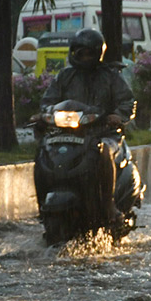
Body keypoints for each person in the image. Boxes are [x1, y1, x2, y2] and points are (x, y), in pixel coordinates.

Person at [40, 28, 135, 223]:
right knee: (43, 151)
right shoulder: (64, 77)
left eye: (89, 53)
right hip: (67, 133)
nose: (85, 57)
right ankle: (41, 206)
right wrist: (45, 113)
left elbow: (127, 101)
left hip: (102, 133)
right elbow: (48, 101)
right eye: (80, 53)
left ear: (98, 53)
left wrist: (116, 116)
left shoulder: (110, 76)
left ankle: (108, 205)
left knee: (104, 152)